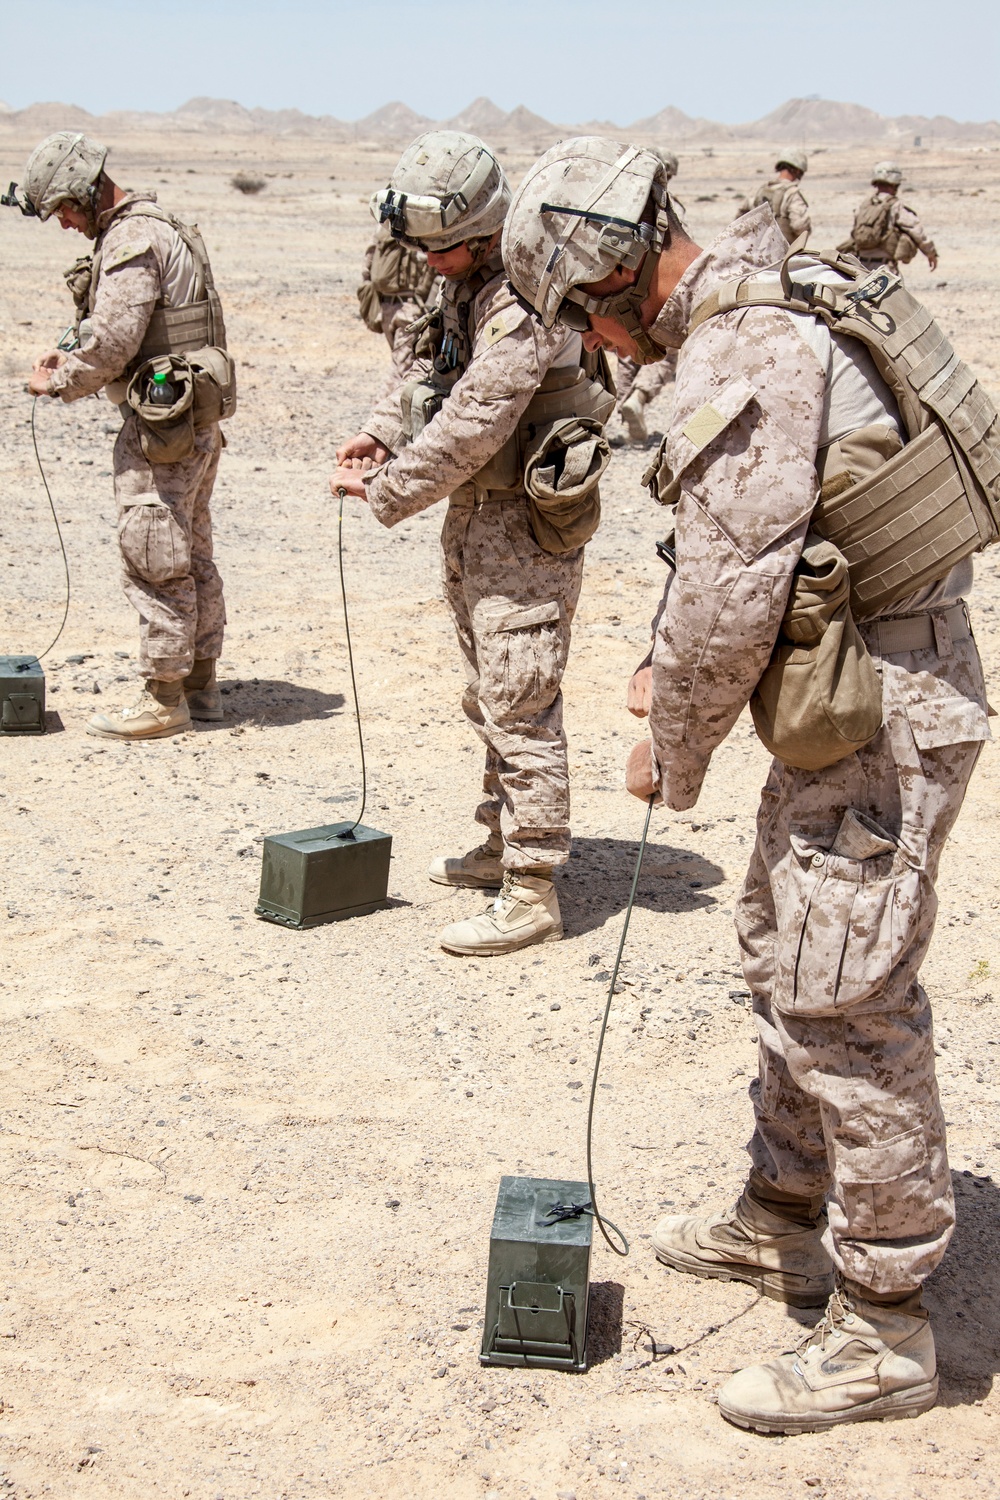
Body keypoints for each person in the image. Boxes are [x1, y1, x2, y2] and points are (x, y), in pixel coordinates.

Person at [504, 136, 994, 1432]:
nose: (597, 348)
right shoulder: (755, 306)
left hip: (881, 717)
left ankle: (885, 1327)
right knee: (789, 946)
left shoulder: (737, 351)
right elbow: (739, 556)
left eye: (586, 319)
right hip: (848, 710)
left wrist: (675, 740)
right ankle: (783, 1212)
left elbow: (729, 598)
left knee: (846, 1000)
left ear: (608, 283)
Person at [331, 130, 614, 957]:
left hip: (524, 529)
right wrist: (378, 435)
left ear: (486, 234)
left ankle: (532, 891)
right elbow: (425, 371)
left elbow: (476, 419)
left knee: (521, 699)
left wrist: (386, 489)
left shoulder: (522, 299)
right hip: (477, 521)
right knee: (486, 692)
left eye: (444, 251)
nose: (432, 264)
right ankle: (502, 845)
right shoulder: (465, 286)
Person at [16, 131, 231, 739]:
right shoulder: (163, 225)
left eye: (63, 208)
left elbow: (112, 342)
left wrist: (58, 380)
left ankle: (165, 698)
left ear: (86, 190)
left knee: (154, 552)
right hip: (193, 420)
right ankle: (201, 684)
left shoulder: (132, 237)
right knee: (192, 549)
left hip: (164, 427)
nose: (62, 224)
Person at [616, 148, 680, 443]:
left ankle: (617, 408)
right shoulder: (670, 210)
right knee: (665, 354)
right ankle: (639, 398)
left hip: (624, 293)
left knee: (627, 348)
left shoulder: (621, 208)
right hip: (660, 296)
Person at [357, 220, 439, 393]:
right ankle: (385, 413)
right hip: (400, 308)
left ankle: (383, 412)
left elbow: (368, 261)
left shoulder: (386, 223)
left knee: (400, 367)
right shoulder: (416, 221)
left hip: (396, 307)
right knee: (401, 370)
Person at [842, 161, 938, 274]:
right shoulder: (895, 206)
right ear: (895, 184)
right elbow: (917, 232)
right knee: (898, 292)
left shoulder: (864, 206)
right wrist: (931, 253)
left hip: (860, 267)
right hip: (884, 268)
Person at [739, 147, 811, 245]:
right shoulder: (792, 194)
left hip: (755, 253)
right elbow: (800, 226)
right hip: (782, 255)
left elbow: (740, 218)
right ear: (798, 170)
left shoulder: (760, 190)